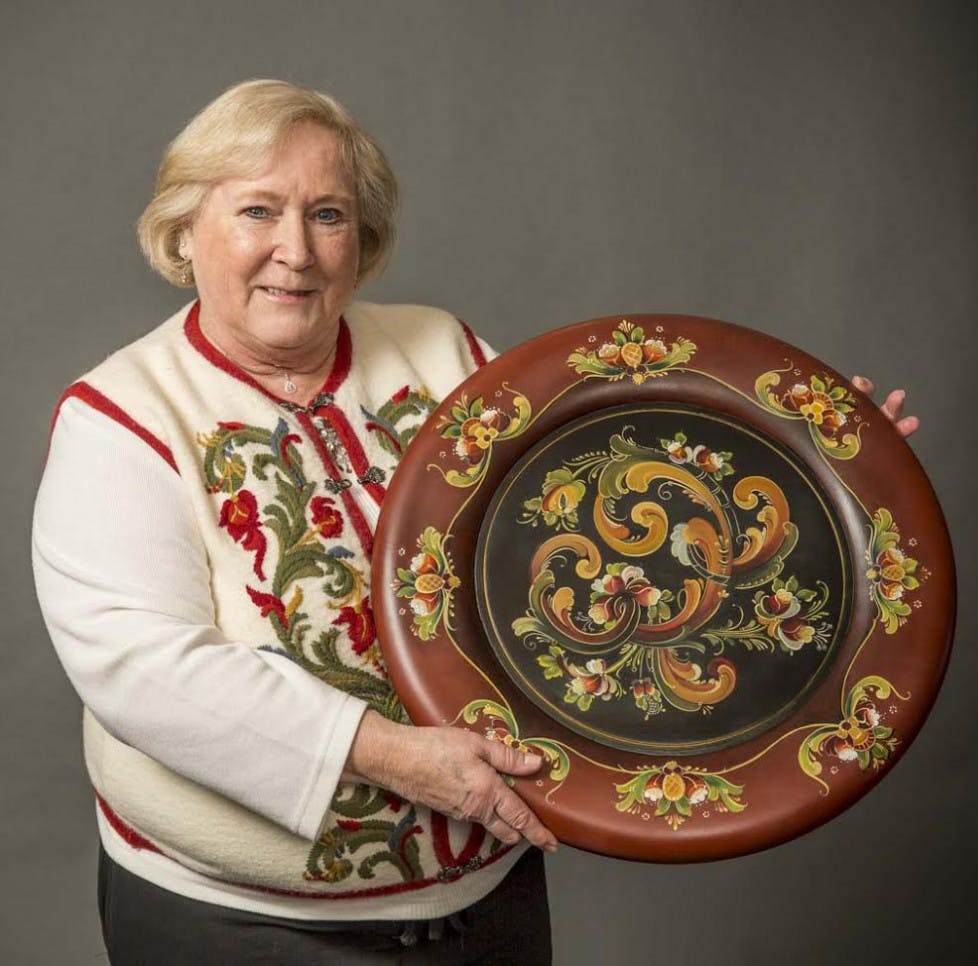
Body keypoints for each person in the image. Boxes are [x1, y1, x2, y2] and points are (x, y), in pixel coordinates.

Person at [31, 79, 917, 965]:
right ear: (185, 232)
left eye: (328, 215)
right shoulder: (122, 417)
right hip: (242, 926)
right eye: (258, 211)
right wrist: (389, 754)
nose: (294, 251)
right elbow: (143, 668)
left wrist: (811, 463)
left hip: (487, 901)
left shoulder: (442, 350)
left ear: (362, 238)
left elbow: (605, 496)